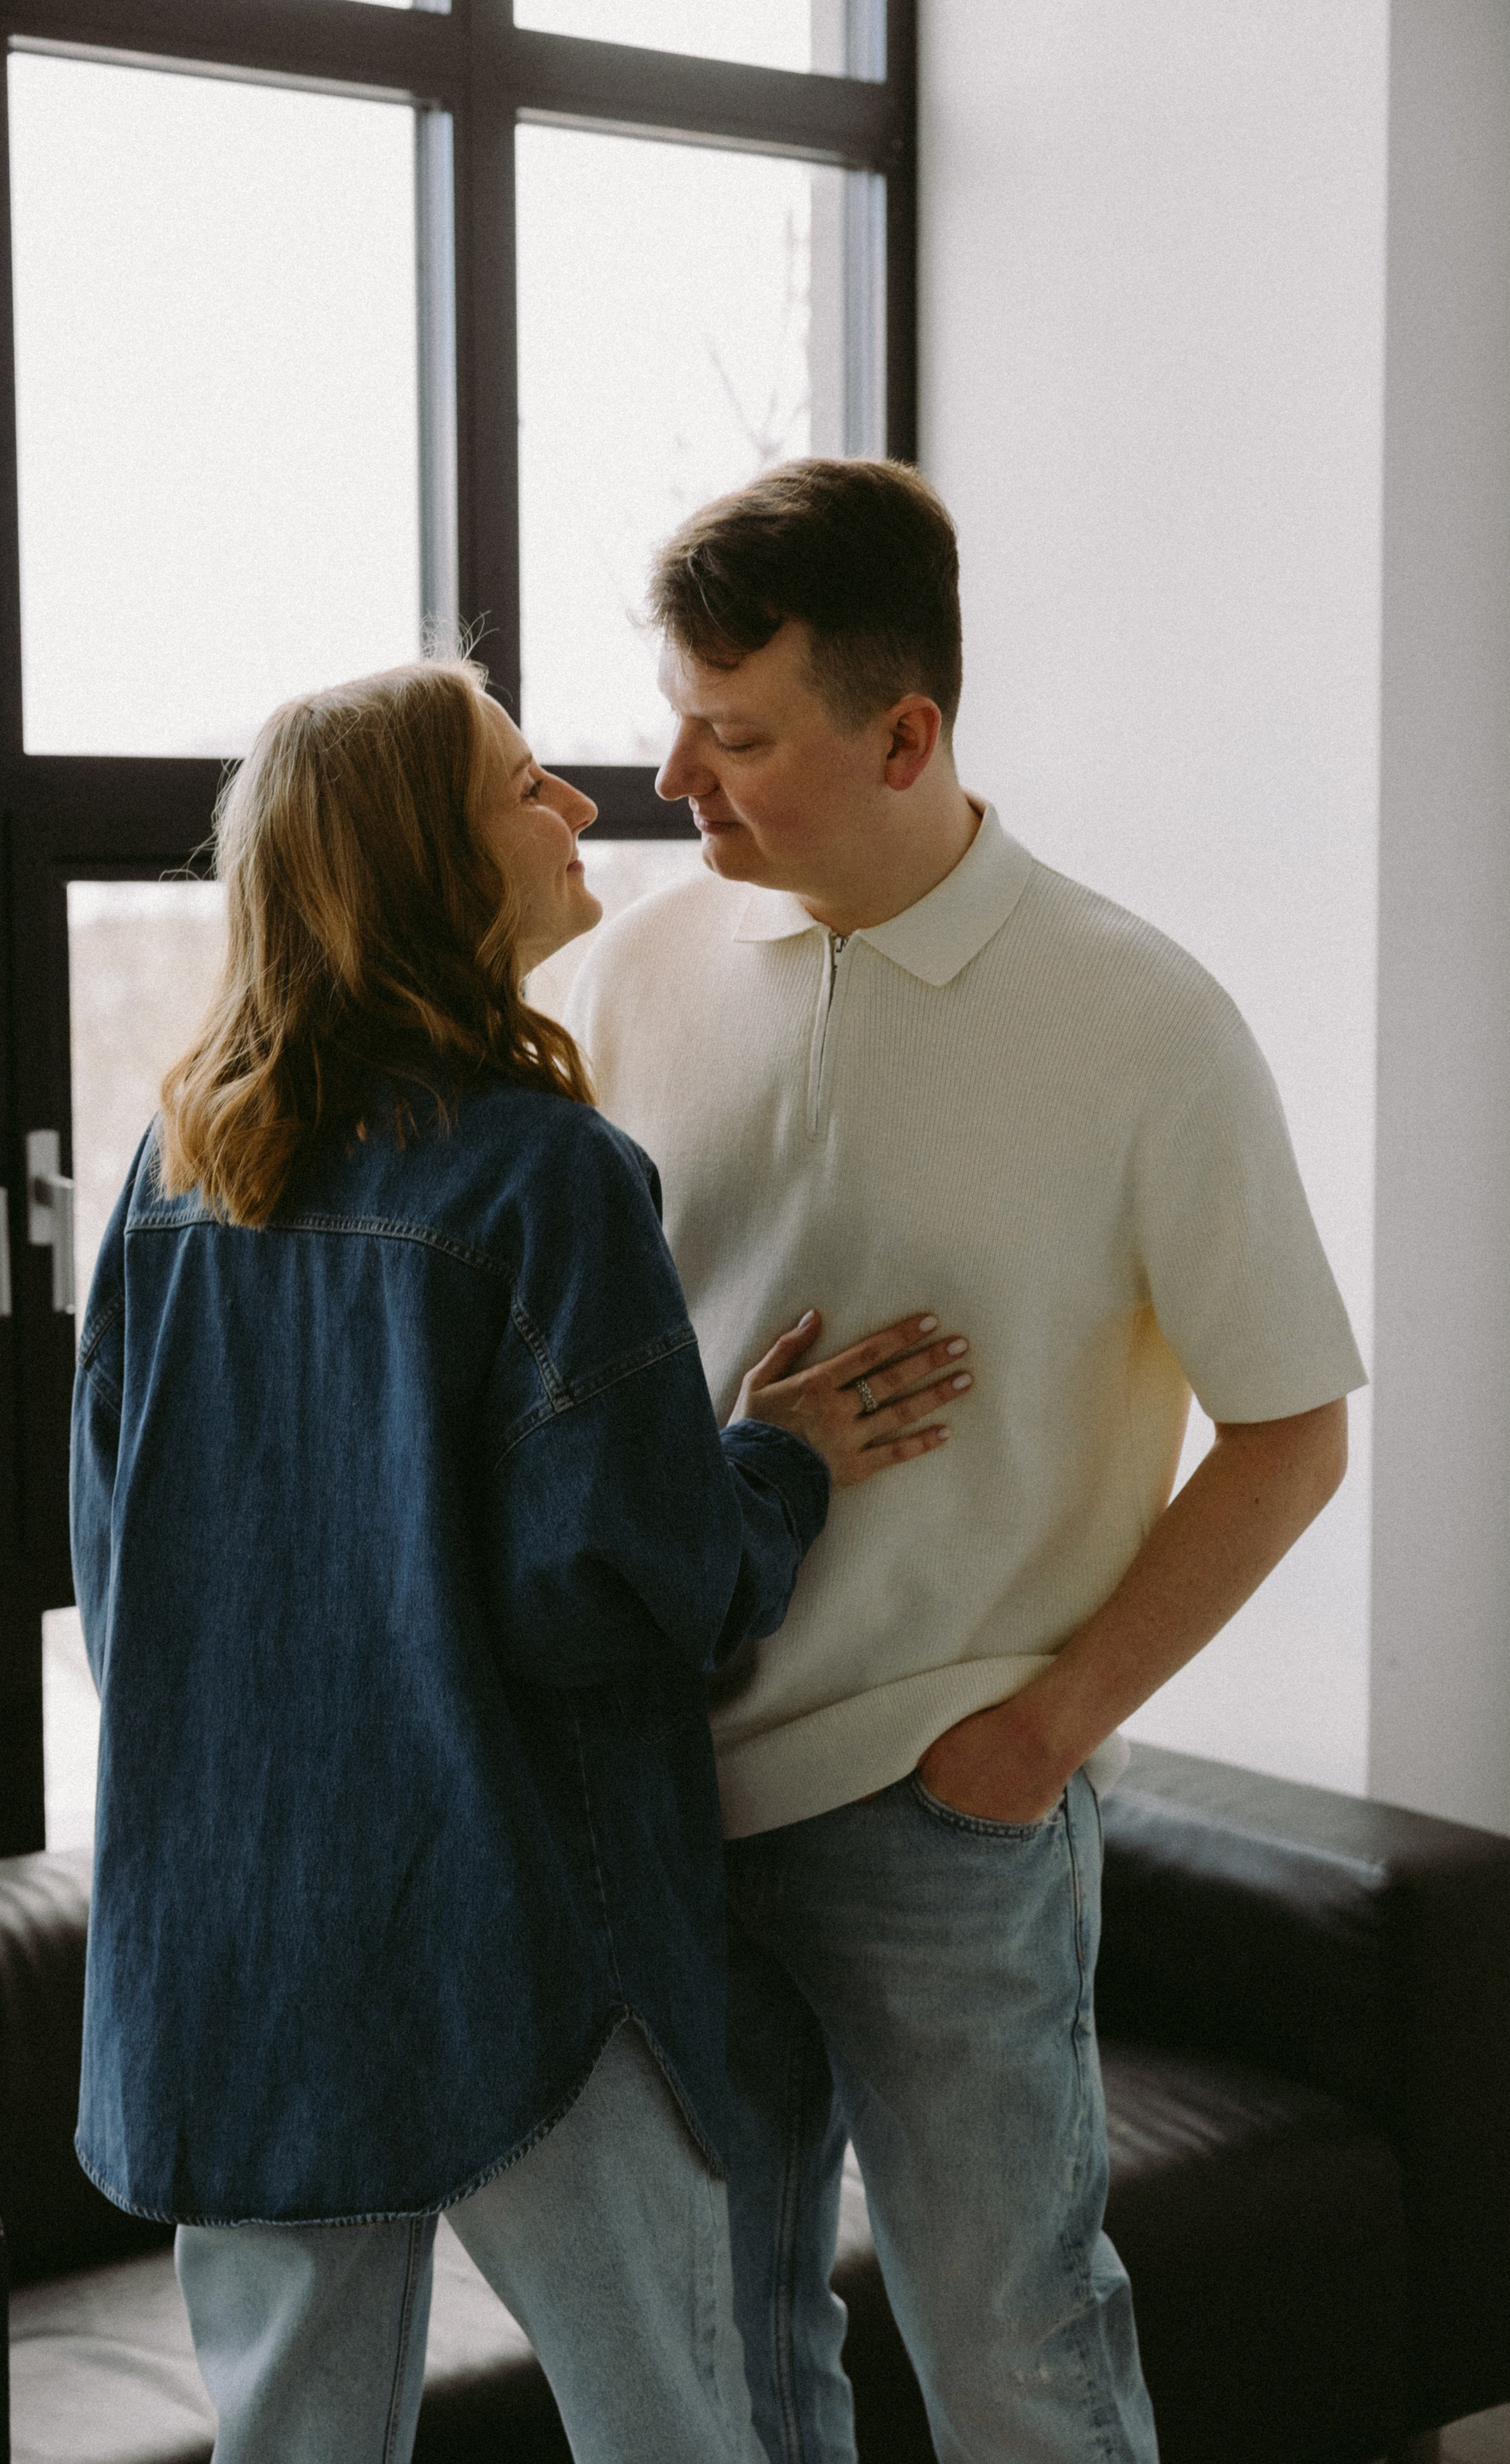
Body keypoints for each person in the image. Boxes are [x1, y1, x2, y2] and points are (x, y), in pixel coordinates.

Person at [68, 657, 974, 2464]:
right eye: (521, 786)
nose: (579, 808)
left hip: (236, 1954)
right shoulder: (543, 1178)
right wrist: (776, 1467)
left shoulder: (176, 1177)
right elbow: (621, 1598)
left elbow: (119, 1569)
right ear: (423, 858)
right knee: (677, 2428)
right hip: (525, 1933)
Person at [563, 458, 1368, 2464]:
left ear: (907, 733)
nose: (679, 777)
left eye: (739, 734)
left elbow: (1292, 1428)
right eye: (678, 714)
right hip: (659, 1789)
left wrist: (1056, 1722)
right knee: (726, 2357)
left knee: (1017, 2356)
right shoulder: (622, 978)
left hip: (947, 1802)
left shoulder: (1145, 1020)